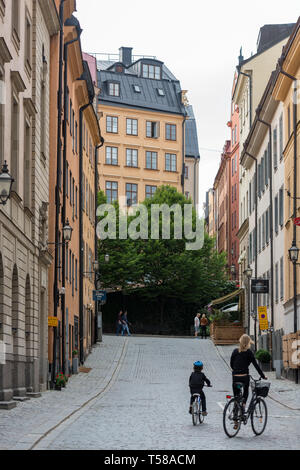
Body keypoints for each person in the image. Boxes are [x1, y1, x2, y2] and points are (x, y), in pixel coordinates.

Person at [230, 334, 267, 412]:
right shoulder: (249, 352)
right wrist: (263, 376)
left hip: (235, 376)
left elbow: (231, 364)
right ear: (248, 342)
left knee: (236, 396)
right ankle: (243, 404)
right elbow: (256, 365)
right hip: (244, 376)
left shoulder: (235, 351)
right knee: (246, 391)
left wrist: (236, 370)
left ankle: (235, 418)